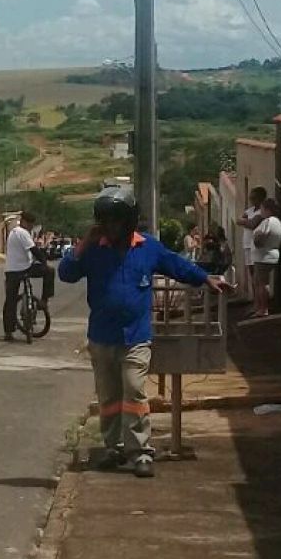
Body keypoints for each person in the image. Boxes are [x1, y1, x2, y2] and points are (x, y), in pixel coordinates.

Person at [58, 188, 231, 478]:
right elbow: (66, 273)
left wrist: (205, 279)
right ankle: (113, 447)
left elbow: (177, 266)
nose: (110, 228)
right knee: (108, 397)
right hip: (102, 338)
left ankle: (140, 451)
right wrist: (84, 243)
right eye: (105, 223)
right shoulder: (94, 249)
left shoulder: (148, 247)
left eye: (115, 222)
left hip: (135, 338)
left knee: (134, 391)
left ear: (128, 221)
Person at [3, 212, 55, 341]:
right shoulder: (21, 232)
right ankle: (44, 301)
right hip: (19, 269)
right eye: (29, 223)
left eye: (32, 224)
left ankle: (8, 332)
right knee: (49, 271)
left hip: (13, 270)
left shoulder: (18, 232)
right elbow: (34, 250)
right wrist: (45, 262)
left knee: (10, 300)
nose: (31, 226)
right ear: (23, 222)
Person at [250, 198, 281, 318]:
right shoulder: (277, 222)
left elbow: (261, 236)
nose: (261, 212)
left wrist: (256, 240)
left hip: (264, 257)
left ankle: (263, 308)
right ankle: (260, 307)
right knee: (259, 282)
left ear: (268, 210)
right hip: (268, 255)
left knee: (261, 283)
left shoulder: (269, 221)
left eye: (262, 209)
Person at [236, 186, 267, 300]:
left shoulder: (262, 211)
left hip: (256, 246)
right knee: (252, 275)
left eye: (254, 197)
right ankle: (255, 300)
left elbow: (253, 224)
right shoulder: (250, 210)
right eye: (250, 197)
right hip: (247, 245)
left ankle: (261, 302)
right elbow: (238, 220)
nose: (251, 200)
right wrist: (247, 221)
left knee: (258, 277)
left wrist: (246, 221)